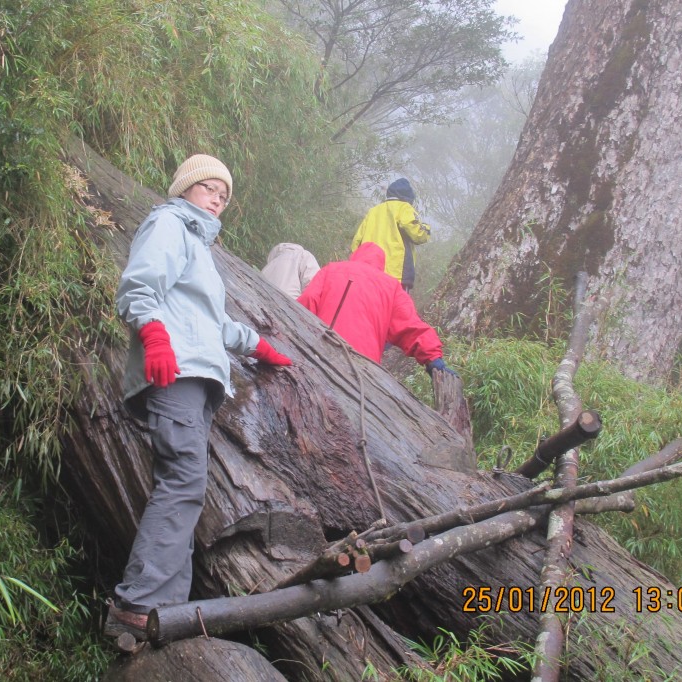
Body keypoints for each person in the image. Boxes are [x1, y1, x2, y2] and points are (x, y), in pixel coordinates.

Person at [107, 154, 292, 641]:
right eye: (210, 188)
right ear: (186, 188)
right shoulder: (169, 223)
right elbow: (139, 285)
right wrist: (153, 334)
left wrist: (259, 346)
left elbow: (211, 323)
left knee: (185, 486)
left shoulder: (196, 244)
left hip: (194, 373)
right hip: (176, 371)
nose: (218, 199)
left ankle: (163, 611)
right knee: (182, 484)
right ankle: (138, 606)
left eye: (224, 195)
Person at [297, 242, 455, 377]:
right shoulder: (391, 286)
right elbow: (410, 326)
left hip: (320, 353)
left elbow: (307, 301)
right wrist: (434, 359)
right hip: (363, 368)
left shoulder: (331, 270)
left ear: (355, 256)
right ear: (382, 264)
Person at [350, 177, 431, 292]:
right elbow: (417, 233)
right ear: (408, 197)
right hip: (394, 275)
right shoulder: (404, 208)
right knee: (391, 309)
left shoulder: (373, 211)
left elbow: (356, 243)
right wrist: (426, 229)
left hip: (366, 273)